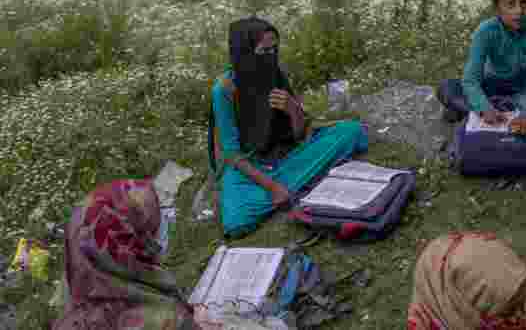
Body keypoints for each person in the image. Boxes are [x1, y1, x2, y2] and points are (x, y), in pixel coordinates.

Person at [210, 16, 368, 239]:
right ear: (244, 53)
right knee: (237, 221)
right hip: (252, 167)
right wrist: (273, 188)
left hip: (286, 155)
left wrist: (293, 110)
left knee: (352, 131)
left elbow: (297, 136)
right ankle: (297, 183)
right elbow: (232, 155)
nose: (270, 57)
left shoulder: (275, 73)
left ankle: (290, 184)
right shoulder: (224, 90)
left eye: (274, 50)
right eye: (263, 52)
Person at [54, 179, 200, 330]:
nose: (163, 225)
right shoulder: (167, 320)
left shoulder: (69, 320)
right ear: (125, 242)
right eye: (149, 224)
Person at [437, 0, 526, 135]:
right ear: (497, 8)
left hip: (524, 87)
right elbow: (471, 80)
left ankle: (471, 111)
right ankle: (488, 109)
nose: (519, 10)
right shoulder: (485, 31)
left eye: (524, 3)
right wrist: (484, 108)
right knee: (447, 88)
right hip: (492, 85)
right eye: (511, 4)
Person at [408, 232, 526, 330]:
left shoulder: (493, 293)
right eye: (510, 310)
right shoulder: (425, 323)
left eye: (521, 303)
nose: (516, 316)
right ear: (465, 304)